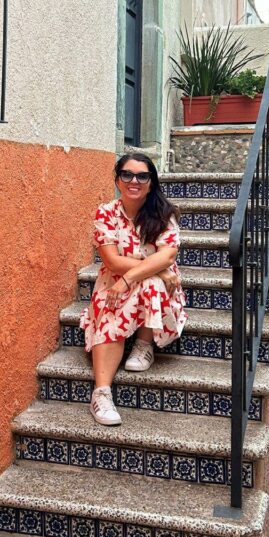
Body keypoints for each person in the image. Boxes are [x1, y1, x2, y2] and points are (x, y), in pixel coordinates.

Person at [79, 153, 187, 425]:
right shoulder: (106, 212)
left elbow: (167, 257)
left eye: (142, 175)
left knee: (151, 281)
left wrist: (137, 276)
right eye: (127, 174)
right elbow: (112, 261)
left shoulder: (164, 214)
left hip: (148, 285)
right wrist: (154, 266)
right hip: (115, 280)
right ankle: (101, 394)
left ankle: (144, 343)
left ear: (151, 183)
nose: (134, 181)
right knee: (111, 305)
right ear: (118, 180)